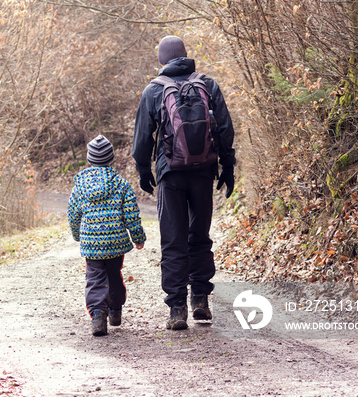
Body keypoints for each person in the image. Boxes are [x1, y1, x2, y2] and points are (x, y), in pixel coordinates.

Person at [132, 35, 235, 331]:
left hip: (170, 175)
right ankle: (200, 299)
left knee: (173, 240)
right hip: (204, 171)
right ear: (185, 56)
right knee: (199, 237)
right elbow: (225, 129)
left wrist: (144, 170)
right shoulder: (208, 84)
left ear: (162, 60)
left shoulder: (154, 90)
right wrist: (227, 167)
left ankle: (177, 309)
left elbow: (142, 138)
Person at [68, 135, 146, 336]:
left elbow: (73, 214)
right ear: (111, 159)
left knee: (94, 278)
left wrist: (78, 235)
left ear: (89, 159)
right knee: (113, 274)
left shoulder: (80, 186)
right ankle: (115, 310)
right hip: (115, 242)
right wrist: (138, 237)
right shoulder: (121, 184)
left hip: (91, 244)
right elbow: (131, 215)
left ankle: (97, 316)